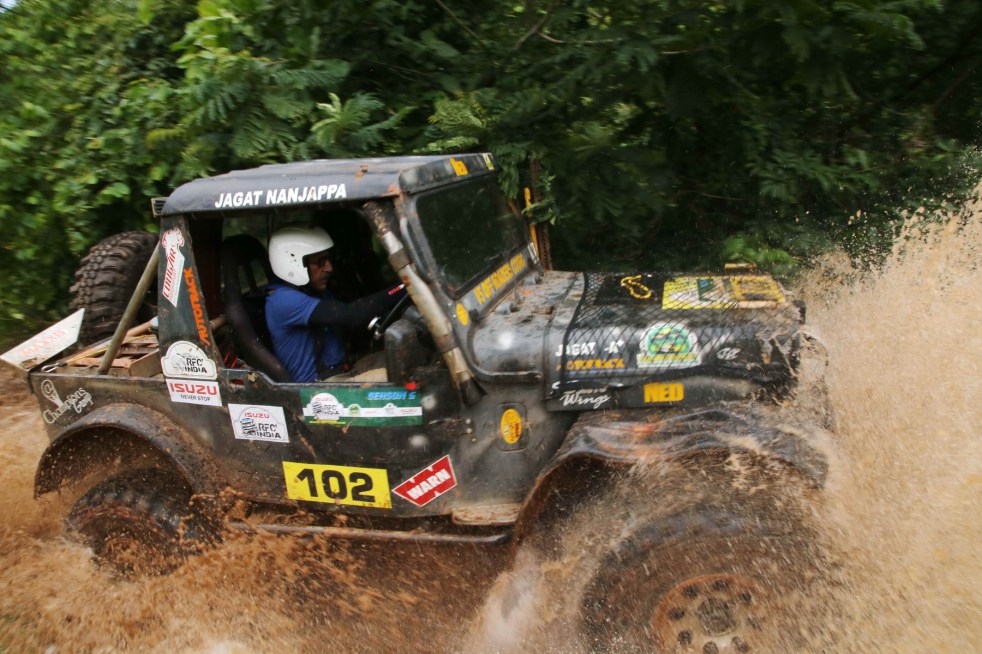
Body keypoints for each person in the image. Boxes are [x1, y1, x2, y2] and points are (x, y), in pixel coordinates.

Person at [265, 225, 405, 382]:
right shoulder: (283, 300)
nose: (329, 267)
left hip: (345, 369)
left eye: (328, 259)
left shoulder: (311, 289)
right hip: (320, 389)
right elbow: (352, 314)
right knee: (405, 377)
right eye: (319, 261)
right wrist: (404, 285)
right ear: (292, 263)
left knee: (407, 357)